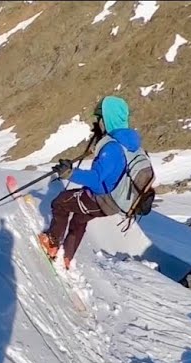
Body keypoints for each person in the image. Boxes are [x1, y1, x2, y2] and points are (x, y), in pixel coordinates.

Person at [37, 95, 151, 270]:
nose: (97, 122)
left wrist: (69, 173)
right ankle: (67, 256)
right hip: (117, 203)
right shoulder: (131, 143)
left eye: (100, 118)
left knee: (60, 203)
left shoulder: (112, 147)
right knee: (80, 220)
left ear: (107, 119)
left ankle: (52, 243)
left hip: (101, 199)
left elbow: (96, 180)